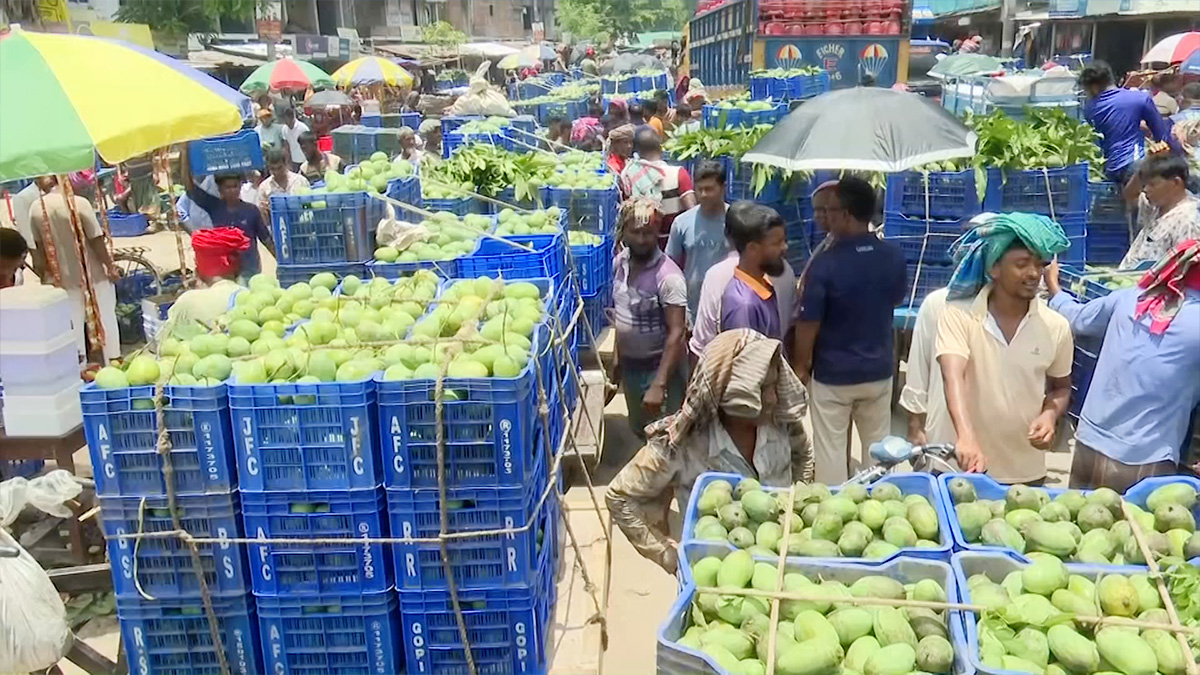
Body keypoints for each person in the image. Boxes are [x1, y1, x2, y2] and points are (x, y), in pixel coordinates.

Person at [605, 329, 812, 572]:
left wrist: (798, 504)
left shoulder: (781, 422)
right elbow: (620, 497)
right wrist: (665, 554)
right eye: (762, 389)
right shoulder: (681, 443)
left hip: (782, 568)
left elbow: (804, 455)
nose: (772, 398)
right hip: (713, 582)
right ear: (730, 393)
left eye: (774, 385)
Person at [1044, 241, 1200, 491]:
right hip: (1146, 462)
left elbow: (1078, 320)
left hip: (1088, 446)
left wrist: (1054, 288)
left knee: (1079, 523)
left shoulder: (1130, 298)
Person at [935, 213, 1074, 485]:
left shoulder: (1055, 326)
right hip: (962, 467)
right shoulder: (958, 315)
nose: (1034, 273)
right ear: (994, 269)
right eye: (1022, 264)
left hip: (1026, 472)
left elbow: (1061, 387)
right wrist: (966, 436)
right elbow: (953, 376)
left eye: (1039, 264)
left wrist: (1049, 415)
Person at [795, 178, 907, 483]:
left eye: (830, 211)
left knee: (830, 452)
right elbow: (896, 298)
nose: (825, 217)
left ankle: (834, 507)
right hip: (879, 371)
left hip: (834, 376)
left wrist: (801, 365)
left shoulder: (825, 265)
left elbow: (809, 323)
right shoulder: (893, 256)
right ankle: (882, 502)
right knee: (879, 451)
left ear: (846, 214)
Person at [610, 198, 689, 439]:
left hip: (658, 369)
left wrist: (659, 384)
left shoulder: (669, 277)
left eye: (649, 232)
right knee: (639, 429)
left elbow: (677, 332)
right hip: (631, 369)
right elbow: (621, 314)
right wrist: (616, 360)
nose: (642, 239)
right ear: (624, 232)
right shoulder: (620, 263)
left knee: (665, 438)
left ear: (658, 232)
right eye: (635, 232)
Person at [27, 176, 121, 361]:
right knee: (106, 316)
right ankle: (113, 357)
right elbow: (96, 239)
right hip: (93, 274)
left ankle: (79, 365)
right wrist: (110, 267)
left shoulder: (36, 209)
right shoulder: (79, 203)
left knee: (72, 323)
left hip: (62, 278)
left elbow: (38, 250)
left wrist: (44, 275)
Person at [1080, 61, 1180, 185]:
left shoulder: (1090, 108)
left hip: (1107, 170)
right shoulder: (1139, 98)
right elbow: (1162, 136)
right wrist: (1180, 158)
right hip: (1134, 165)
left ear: (1093, 87)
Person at [182, 155, 273, 278]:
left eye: (235, 186)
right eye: (227, 187)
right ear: (220, 189)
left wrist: (281, 261)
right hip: (225, 271)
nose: (232, 191)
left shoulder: (251, 211)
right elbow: (189, 187)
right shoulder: (214, 207)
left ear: (240, 186)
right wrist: (184, 154)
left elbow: (266, 239)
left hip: (250, 270)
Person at [666, 160, 729, 322]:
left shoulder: (736, 221)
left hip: (728, 310)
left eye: (709, 189)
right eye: (699, 189)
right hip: (693, 312)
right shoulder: (682, 223)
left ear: (723, 188)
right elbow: (671, 269)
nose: (703, 195)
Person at [719, 201, 792, 341]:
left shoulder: (763, 286)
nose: (785, 247)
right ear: (752, 249)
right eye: (777, 243)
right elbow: (746, 361)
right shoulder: (743, 305)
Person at [1119, 153, 1200, 270]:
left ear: (1176, 182)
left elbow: (1185, 270)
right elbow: (1130, 195)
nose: (1146, 189)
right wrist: (1147, 161)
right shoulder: (1155, 206)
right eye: (1145, 184)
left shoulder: (1188, 221)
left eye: (1152, 184)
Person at [620, 128, 696, 247]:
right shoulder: (678, 173)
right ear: (660, 148)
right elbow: (692, 212)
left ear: (637, 152)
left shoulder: (629, 176)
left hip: (641, 246)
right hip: (673, 245)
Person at [168, 228, 251, 328]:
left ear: (198, 269)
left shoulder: (187, 301)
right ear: (238, 267)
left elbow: (166, 337)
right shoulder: (250, 296)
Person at [256, 148, 310, 226]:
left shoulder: (300, 181)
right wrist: (265, 211)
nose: (276, 172)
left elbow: (309, 207)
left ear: (285, 164)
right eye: (273, 169)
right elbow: (265, 222)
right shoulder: (264, 187)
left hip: (302, 228)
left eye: (279, 168)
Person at [277, 104, 310, 169]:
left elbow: (308, 144)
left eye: (287, 119)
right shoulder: (284, 129)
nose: (286, 122)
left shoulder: (303, 128)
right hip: (294, 161)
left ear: (292, 117)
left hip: (305, 160)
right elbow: (286, 147)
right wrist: (288, 162)